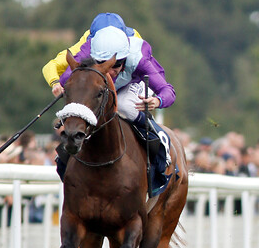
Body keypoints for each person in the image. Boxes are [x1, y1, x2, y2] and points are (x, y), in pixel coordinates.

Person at [56, 25, 176, 195]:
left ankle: (158, 142)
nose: (110, 71)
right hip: (98, 87)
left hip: (132, 85)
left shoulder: (140, 59)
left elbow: (168, 91)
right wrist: (63, 86)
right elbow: (67, 77)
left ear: (125, 58)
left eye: (116, 65)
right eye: (101, 64)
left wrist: (157, 100)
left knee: (125, 106)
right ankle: (65, 159)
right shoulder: (89, 49)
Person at [42, 12, 141, 97]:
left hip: (131, 84)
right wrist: (55, 84)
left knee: (126, 108)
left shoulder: (134, 39)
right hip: (99, 88)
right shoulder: (84, 46)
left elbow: (151, 70)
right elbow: (50, 66)